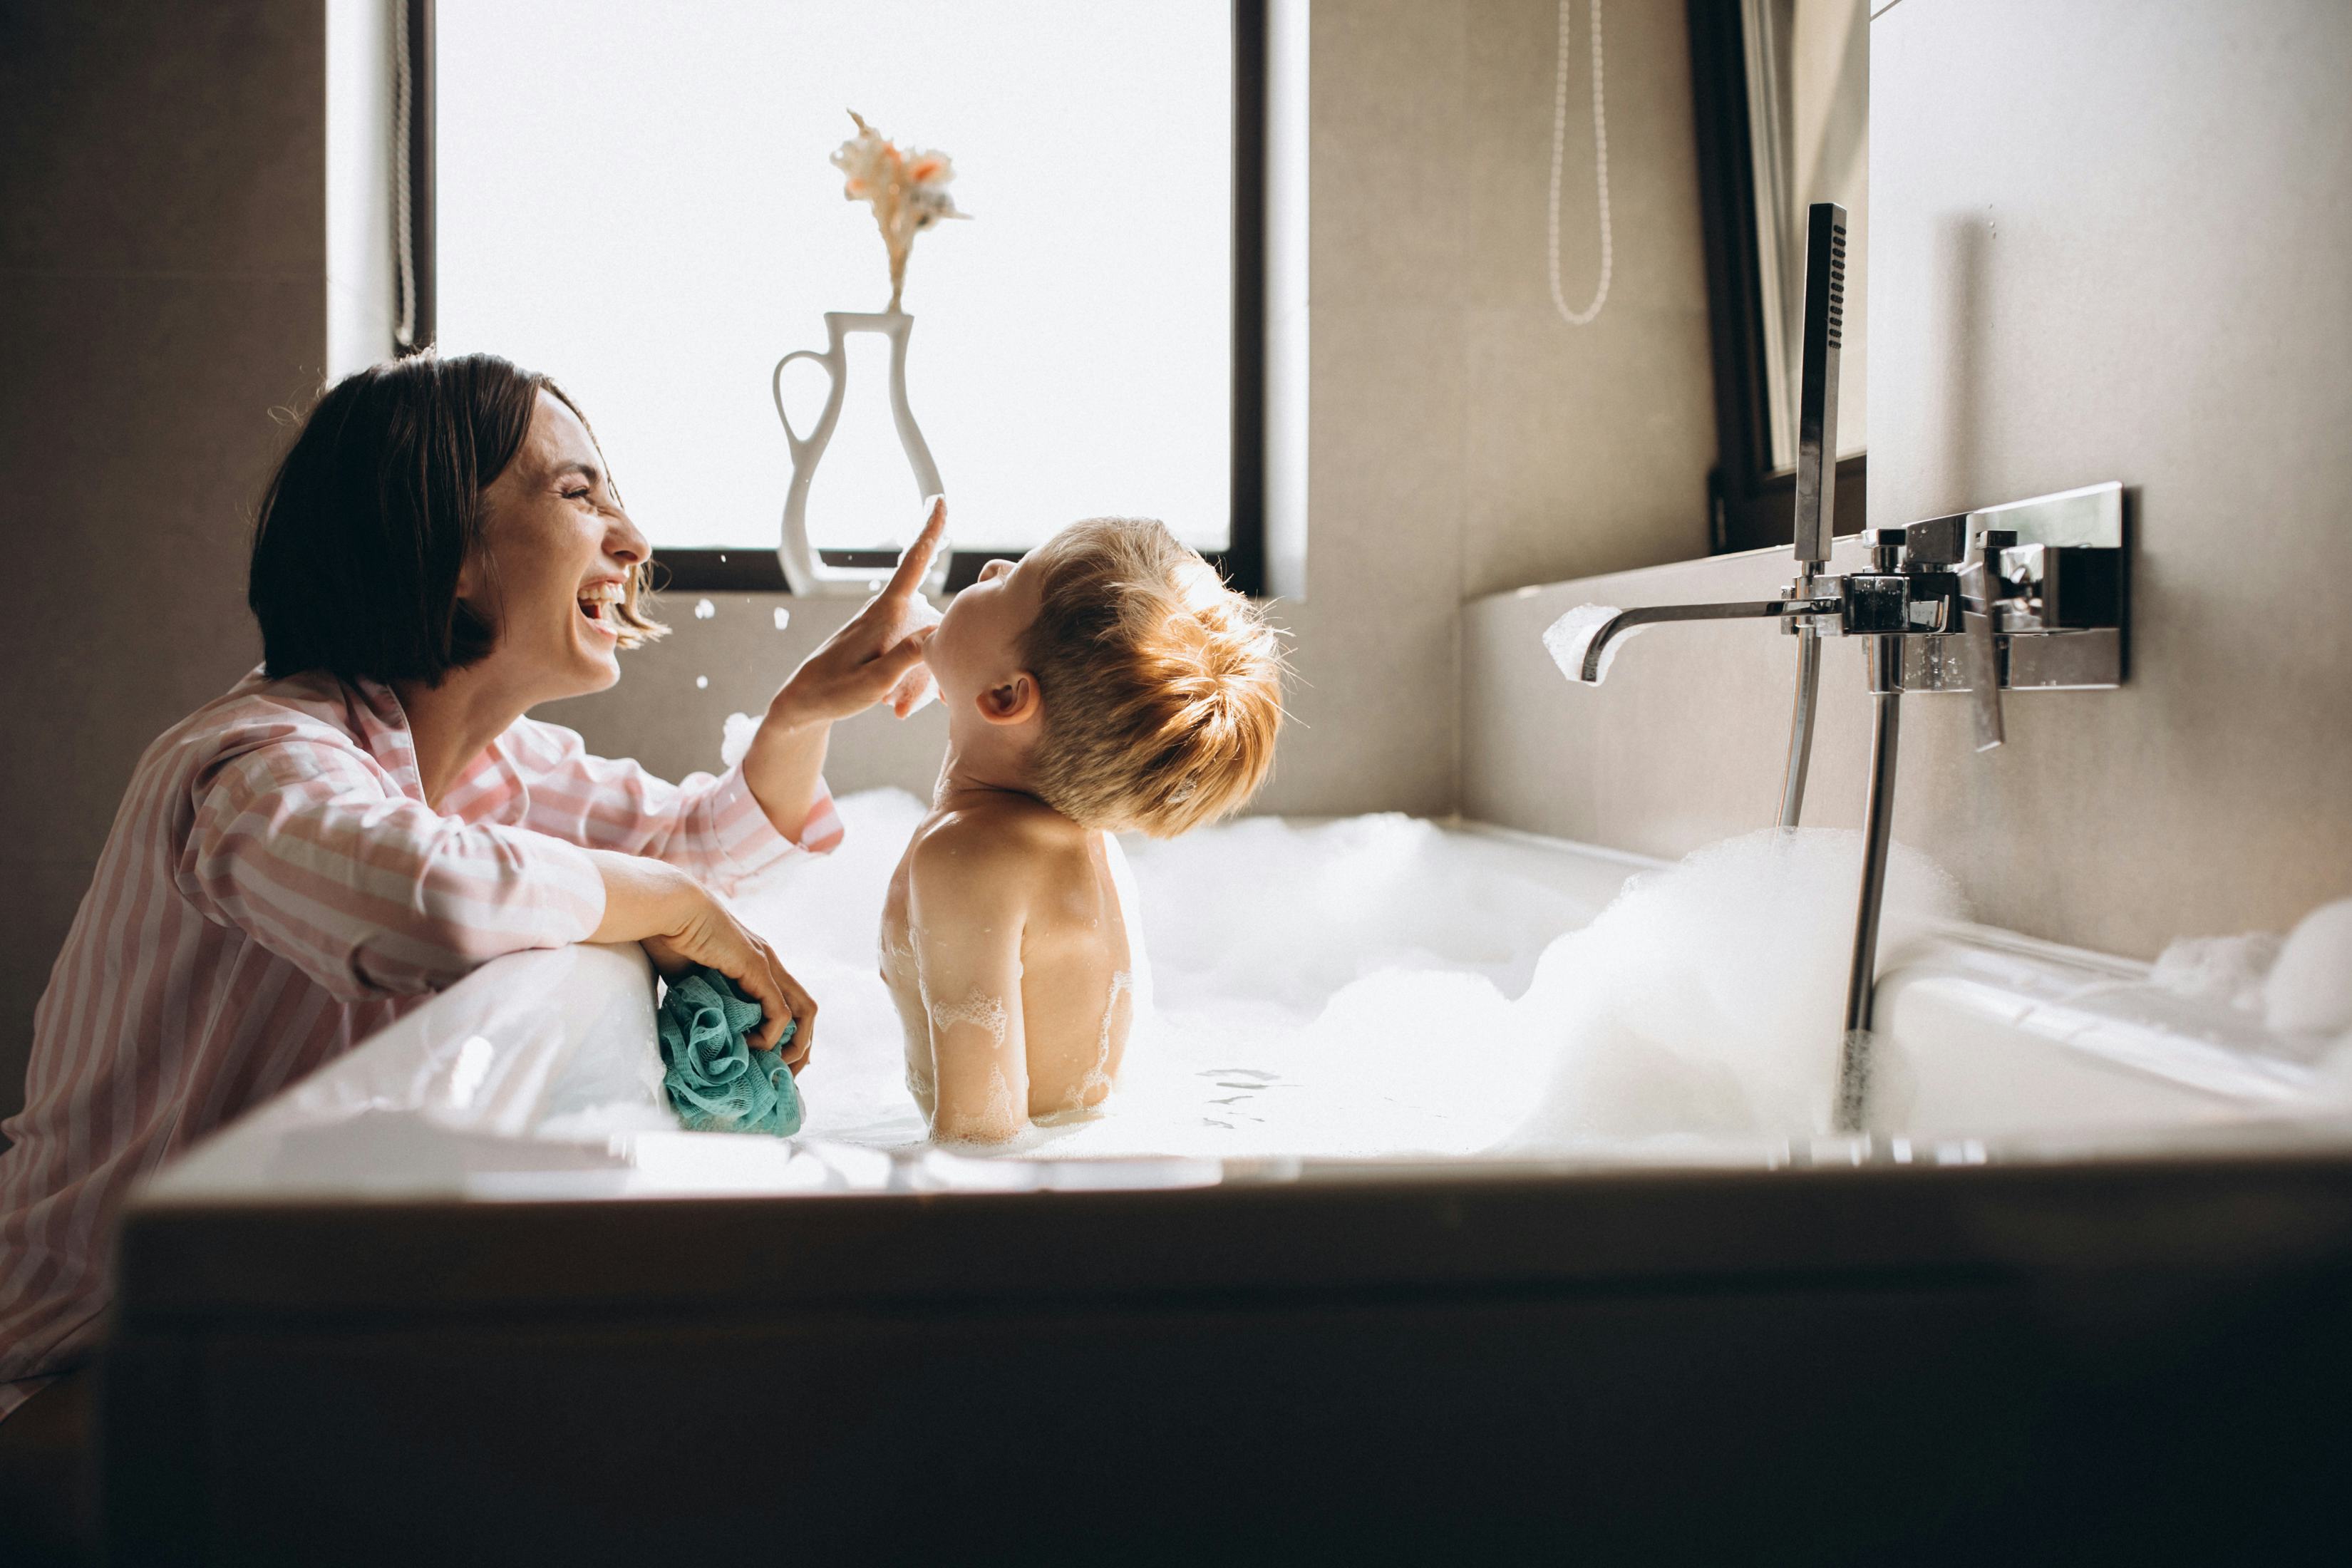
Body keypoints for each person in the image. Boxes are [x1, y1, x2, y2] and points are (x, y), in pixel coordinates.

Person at [0, 354, 949, 1441]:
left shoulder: (499, 763)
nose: (635, 543)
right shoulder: (251, 760)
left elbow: (701, 848)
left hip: (225, 1340)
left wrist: (799, 715)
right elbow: (426, 902)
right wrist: (670, 903)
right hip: (61, 1377)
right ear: (444, 543)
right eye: (581, 495)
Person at [880, 517, 1284, 1143]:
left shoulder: (968, 858)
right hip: (1079, 1170)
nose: (992, 570)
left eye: (1009, 584)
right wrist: (954, 669)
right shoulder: (1074, 829)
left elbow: (978, 1140)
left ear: (1008, 697)